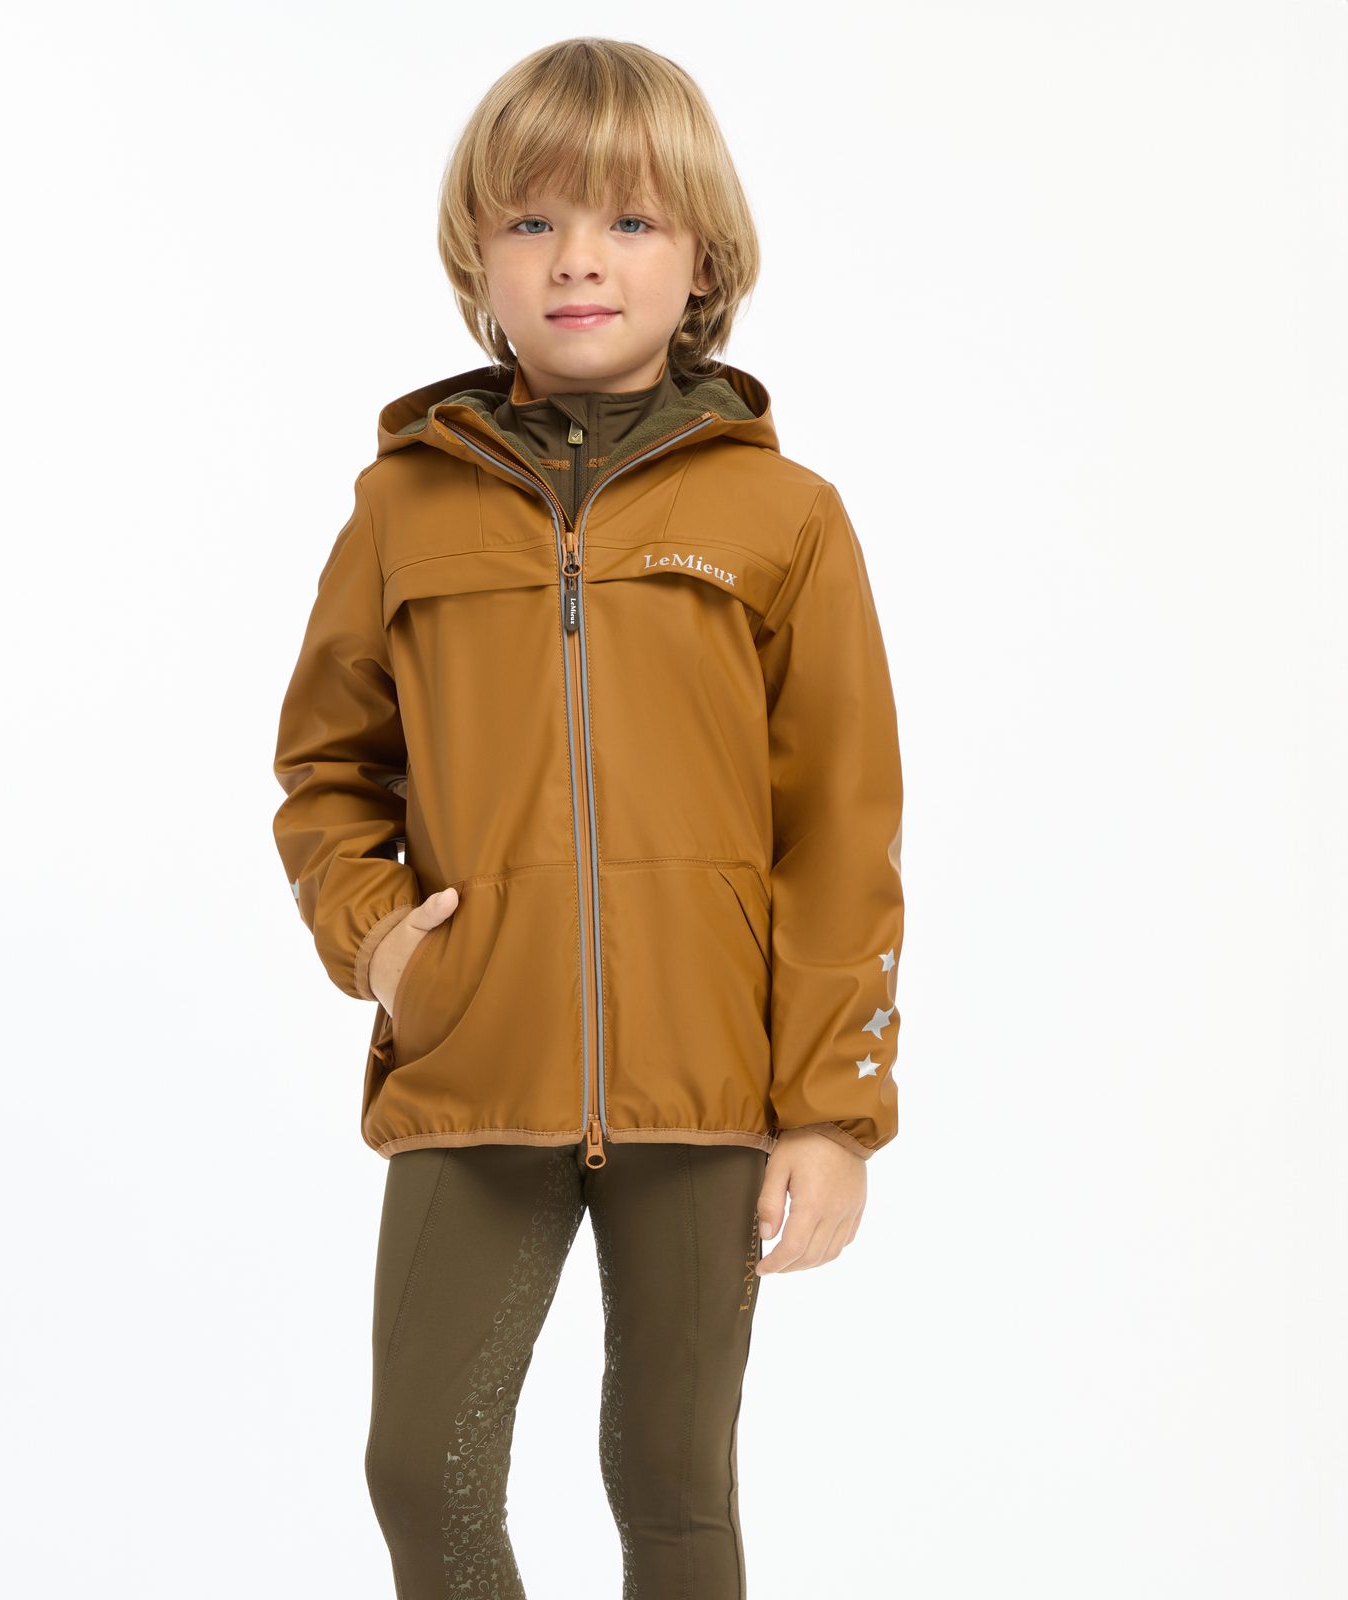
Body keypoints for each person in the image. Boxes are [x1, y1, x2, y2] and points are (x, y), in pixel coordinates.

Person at [271, 36, 906, 1599]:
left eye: (628, 221)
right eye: (532, 220)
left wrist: (832, 1109)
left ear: (703, 261)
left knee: (674, 1478)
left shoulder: (785, 518)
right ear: (477, 258)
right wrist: (383, 947)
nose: (577, 260)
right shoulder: (401, 506)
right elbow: (328, 771)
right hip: (475, 1062)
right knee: (421, 1468)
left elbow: (842, 826)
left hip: (709, 1087)